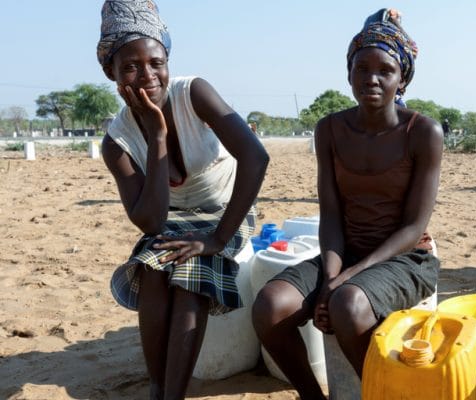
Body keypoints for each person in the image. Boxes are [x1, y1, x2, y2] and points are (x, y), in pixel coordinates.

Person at [252, 8, 443, 400]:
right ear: (348, 73)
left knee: (348, 306)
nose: (371, 79)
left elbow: (412, 227)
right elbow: (333, 215)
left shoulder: (422, 132)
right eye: (361, 68)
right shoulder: (330, 130)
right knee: (270, 307)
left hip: (407, 258)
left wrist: (342, 281)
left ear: (401, 78)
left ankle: (381, 393)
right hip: (345, 251)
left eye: (385, 71)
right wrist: (330, 276)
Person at [96, 1, 269, 399]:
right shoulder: (117, 141)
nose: (147, 75)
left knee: (190, 271)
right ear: (111, 72)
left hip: (227, 211)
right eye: (131, 67)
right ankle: (158, 386)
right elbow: (151, 222)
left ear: (168, 60)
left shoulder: (194, 93)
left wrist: (218, 239)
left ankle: (172, 394)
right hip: (171, 218)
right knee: (153, 270)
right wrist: (156, 136)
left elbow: (256, 156)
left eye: (156, 63)